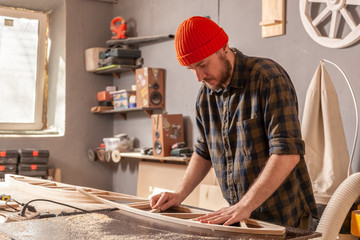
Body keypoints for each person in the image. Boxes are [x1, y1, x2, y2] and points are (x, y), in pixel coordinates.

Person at [150, 16, 318, 228]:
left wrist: (245, 205)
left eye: (202, 65)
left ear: (223, 47)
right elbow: (204, 150)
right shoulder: (205, 96)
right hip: (243, 216)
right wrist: (179, 194)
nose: (198, 77)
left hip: (285, 217)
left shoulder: (267, 78)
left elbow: (287, 153)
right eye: (191, 69)